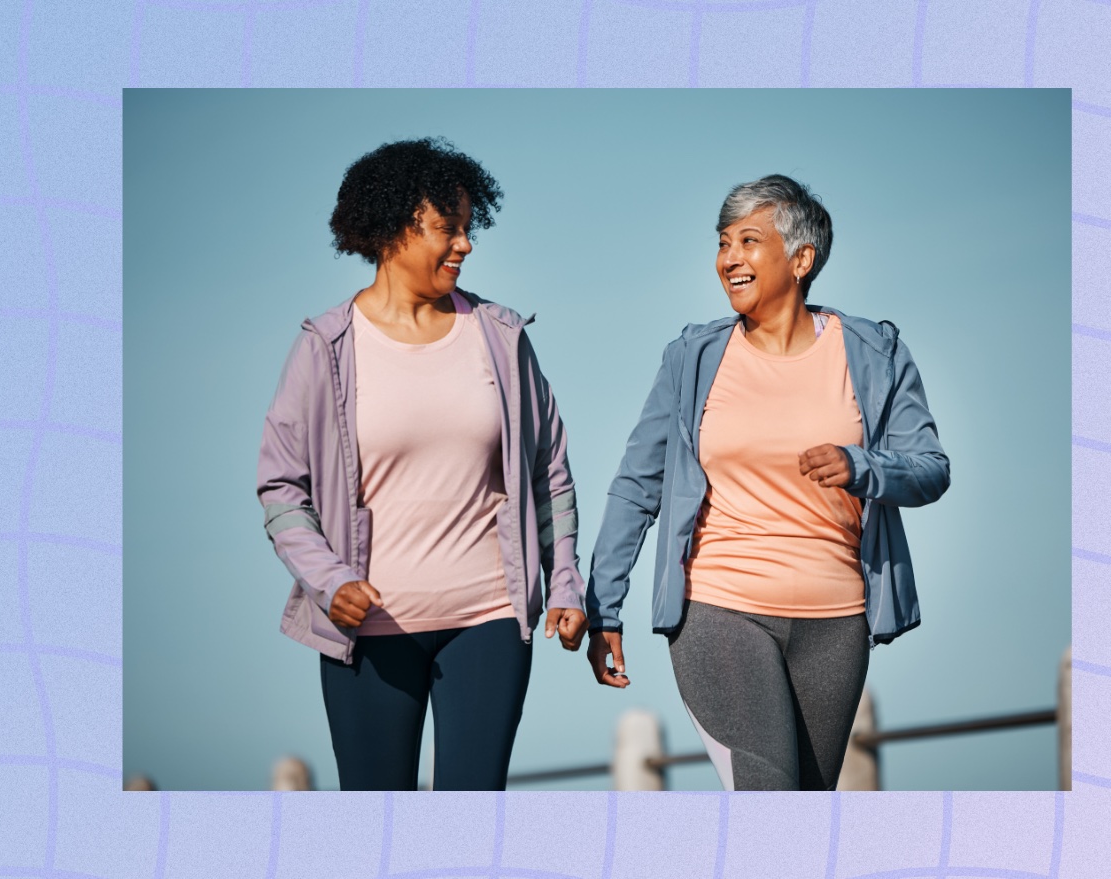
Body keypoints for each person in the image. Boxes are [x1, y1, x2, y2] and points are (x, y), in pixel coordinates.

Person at [585, 174, 949, 791]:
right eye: (723, 244)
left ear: (801, 259)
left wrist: (863, 466)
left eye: (748, 241)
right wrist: (604, 606)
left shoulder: (873, 354)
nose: (729, 259)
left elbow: (929, 469)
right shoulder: (693, 359)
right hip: (720, 608)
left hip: (837, 621)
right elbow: (636, 486)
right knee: (768, 795)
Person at [257, 138, 587, 791]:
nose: (465, 244)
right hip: (370, 631)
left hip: (489, 617)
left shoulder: (501, 336)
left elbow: (550, 468)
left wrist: (566, 580)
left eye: (469, 227)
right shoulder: (325, 348)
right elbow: (281, 487)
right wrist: (329, 581)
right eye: (448, 227)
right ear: (392, 230)